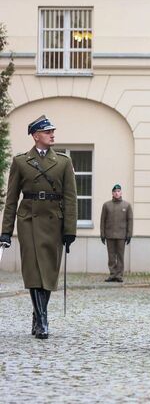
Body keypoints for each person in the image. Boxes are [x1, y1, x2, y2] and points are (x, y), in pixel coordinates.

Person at [0, 115, 77, 339]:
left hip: (55, 221)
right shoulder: (21, 162)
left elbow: (71, 198)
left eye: (53, 131)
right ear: (35, 136)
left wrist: (70, 229)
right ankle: (43, 320)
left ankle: (37, 314)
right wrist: (5, 231)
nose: (52, 134)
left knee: (49, 272)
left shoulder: (64, 162)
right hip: (29, 221)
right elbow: (12, 199)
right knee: (34, 270)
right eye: (47, 131)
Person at [100, 184, 133, 282]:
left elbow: (130, 220)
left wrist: (129, 234)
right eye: (115, 191)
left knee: (120, 256)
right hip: (109, 234)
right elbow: (103, 220)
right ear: (112, 193)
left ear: (121, 192)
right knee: (111, 256)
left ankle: (119, 275)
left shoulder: (126, 205)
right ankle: (112, 274)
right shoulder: (106, 205)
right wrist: (102, 234)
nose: (117, 193)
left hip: (121, 235)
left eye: (118, 191)